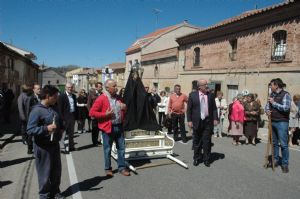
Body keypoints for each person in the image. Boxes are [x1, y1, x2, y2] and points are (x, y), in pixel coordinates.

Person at [26, 85, 65, 199]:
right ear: (48, 96)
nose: (57, 99)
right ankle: (44, 195)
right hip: (42, 147)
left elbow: (59, 120)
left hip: (54, 145)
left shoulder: (54, 107)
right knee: (44, 173)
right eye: (55, 97)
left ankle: (55, 192)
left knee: (56, 172)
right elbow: (30, 130)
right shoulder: (37, 110)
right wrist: (45, 129)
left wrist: (61, 127)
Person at [89, 79, 130, 177]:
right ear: (107, 88)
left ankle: (121, 168)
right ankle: (108, 169)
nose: (117, 87)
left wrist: (125, 108)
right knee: (107, 149)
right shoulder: (101, 98)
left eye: (116, 85)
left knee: (121, 148)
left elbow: (124, 110)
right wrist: (105, 114)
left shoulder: (119, 98)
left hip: (119, 127)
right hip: (108, 128)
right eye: (114, 86)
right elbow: (92, 113)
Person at [187, 79, 218, 167]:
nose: (207, 86)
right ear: (200, 87)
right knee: (197, 142)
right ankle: (196, 158)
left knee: (207, 142)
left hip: (208, 122)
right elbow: (189, 109)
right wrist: (189, 120)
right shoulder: (192, 95)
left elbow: (214, 108)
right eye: (205, 85)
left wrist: (215, 118)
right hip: (197, 122)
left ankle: (206, 159)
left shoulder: (211, 95)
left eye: (206, 84)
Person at [265, 78, 291, 173]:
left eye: (271, 85)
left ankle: (285, 164)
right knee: (274, 143)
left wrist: (274, 103)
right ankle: (275, 160)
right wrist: (267, 110)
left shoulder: (286, 94)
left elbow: (286, 108)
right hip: (272, 121)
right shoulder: (272, 94)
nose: (270, 87)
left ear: (276, 85)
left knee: (283, 144)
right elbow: (267, 105)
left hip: (282, 122)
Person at [58, 83, 78, 152]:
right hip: (65, 117)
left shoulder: (74, 96)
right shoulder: (61, 96)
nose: (70, 89)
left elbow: (75, 106)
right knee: (63, 133)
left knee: (71, 132)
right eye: (68, 87)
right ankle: (62, 147)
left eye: (71, 87)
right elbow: (60, 108)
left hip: (72, 116)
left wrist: (76, 116)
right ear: (66, 88)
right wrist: (61, 118)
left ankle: (71, 146)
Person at [17, 84, 33, 153]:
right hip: (24, 117)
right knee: (24, 130)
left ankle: (28, 143)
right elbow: (20, 108)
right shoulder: (21, 96)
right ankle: (25, 140)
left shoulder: (28, 95)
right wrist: (23, 117)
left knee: (28, 131)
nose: (29, 90)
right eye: (28, 89)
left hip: (29, 116)